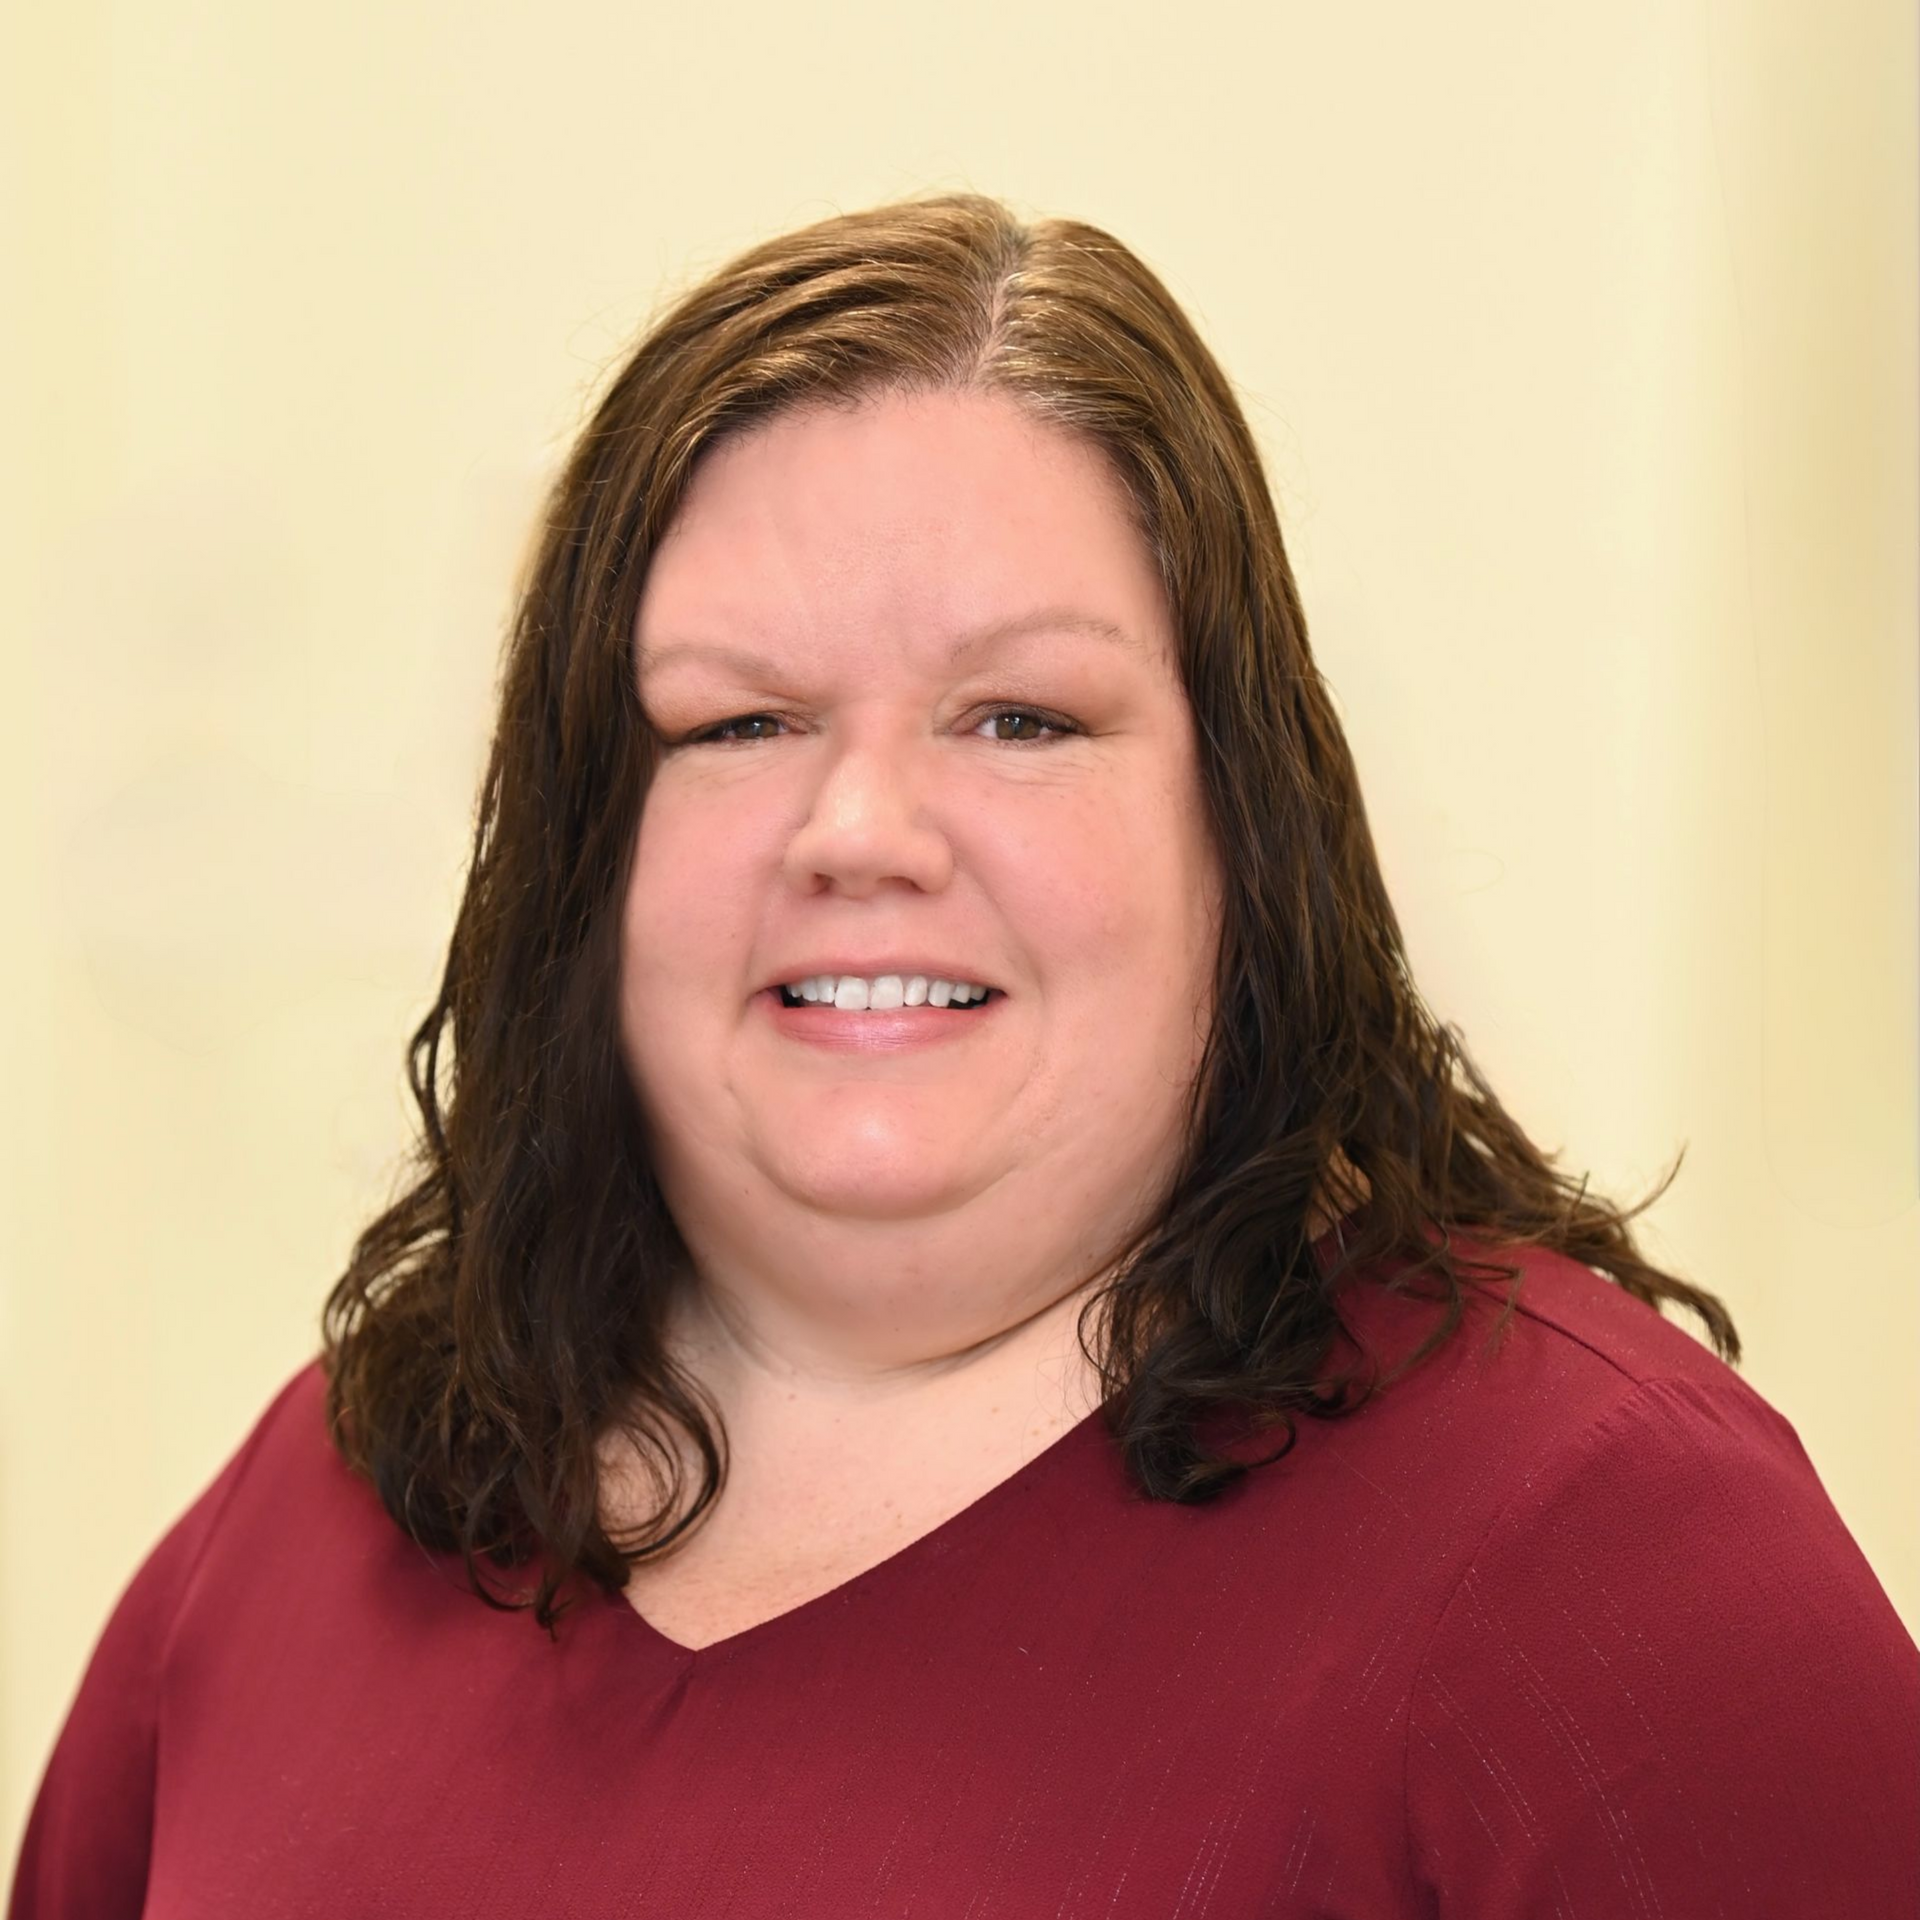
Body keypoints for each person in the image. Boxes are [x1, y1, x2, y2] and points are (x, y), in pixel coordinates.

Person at [10, 192, 1916, 1917]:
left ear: (1244, 825)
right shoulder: (328, 1503)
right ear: (583, 847)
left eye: (1020, 717)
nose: (863, 827)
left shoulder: (1612, 1570)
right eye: (738, 721)